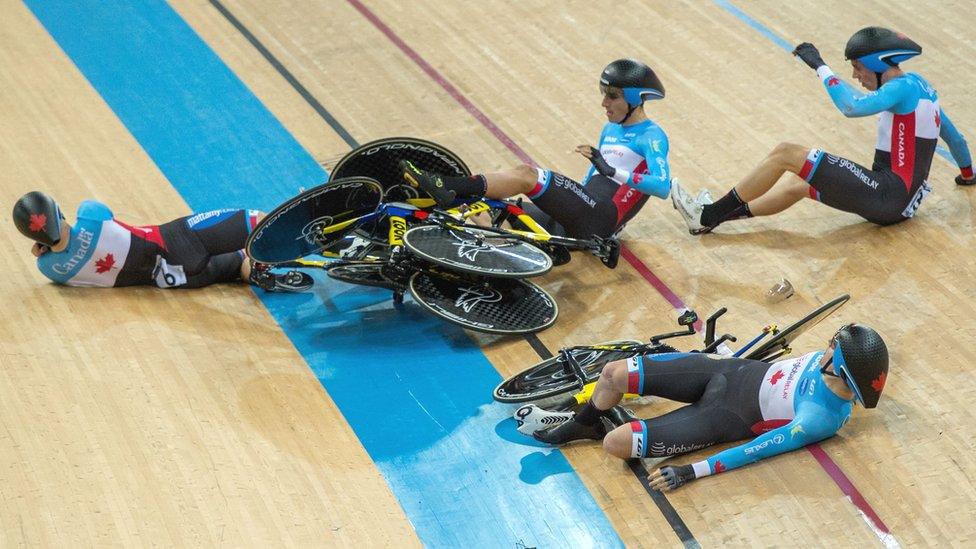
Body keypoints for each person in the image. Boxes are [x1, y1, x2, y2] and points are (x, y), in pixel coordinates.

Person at [672, 26, 974, 234]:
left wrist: (820, 66)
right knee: (799, 184)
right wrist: (968, 176)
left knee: (786, 153)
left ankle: (705, 214)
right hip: (900, 204)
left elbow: (851, 107)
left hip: (886, 195)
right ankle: (713, 220)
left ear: (878, 64)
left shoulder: (901, 87)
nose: (855, 75)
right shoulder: (923, 90)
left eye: (858, 67)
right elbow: (955, 139)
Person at [533, 323, 888, 491]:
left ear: (839, 367)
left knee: (617, 445)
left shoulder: (820, 418)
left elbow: (756, 450)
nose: (825, 345)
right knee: (613, 373)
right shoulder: (839, 368)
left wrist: (692, 472)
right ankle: (587, 422)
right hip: (724, 372)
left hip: (724, 416)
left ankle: (608, 426)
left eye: (831, 346)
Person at [399, 59, 672, 240]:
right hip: (584, 212)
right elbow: (594, 179)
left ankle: (446, 185)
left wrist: (612, 171)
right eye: (603, 94)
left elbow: (662, 186)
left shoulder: (652, 136)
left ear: (635, 99)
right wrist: (571, 198)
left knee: (527, 175)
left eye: (612, 96)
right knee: (493, 210)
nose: (604, 102)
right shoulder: (610, 129)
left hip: (600, 218)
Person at [12, 191, 311, 291]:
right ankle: (315, 230)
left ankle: (252, 270)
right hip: (179, 240)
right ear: (58, 213)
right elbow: (92, 224)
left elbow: (54, 254)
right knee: (256, 220)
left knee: (236, 263)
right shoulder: (89, 215)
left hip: (176, 279)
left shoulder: (52, 270)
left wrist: (46, 250)